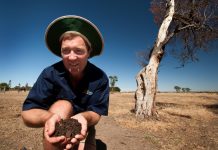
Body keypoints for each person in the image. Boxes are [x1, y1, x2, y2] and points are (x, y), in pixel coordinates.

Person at [21, 15, 109, 150]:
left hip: (86, 124)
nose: (72, 57)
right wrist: (51, 118)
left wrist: (83, 118)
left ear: (89, 52)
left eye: (79, 51)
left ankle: (89, 136)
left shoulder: (100, 78)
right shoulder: (49, 73)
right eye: (65, 50)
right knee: (63, 106)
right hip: (57, 121)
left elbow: (96, 113)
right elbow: (27, 114)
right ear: (60, 52)